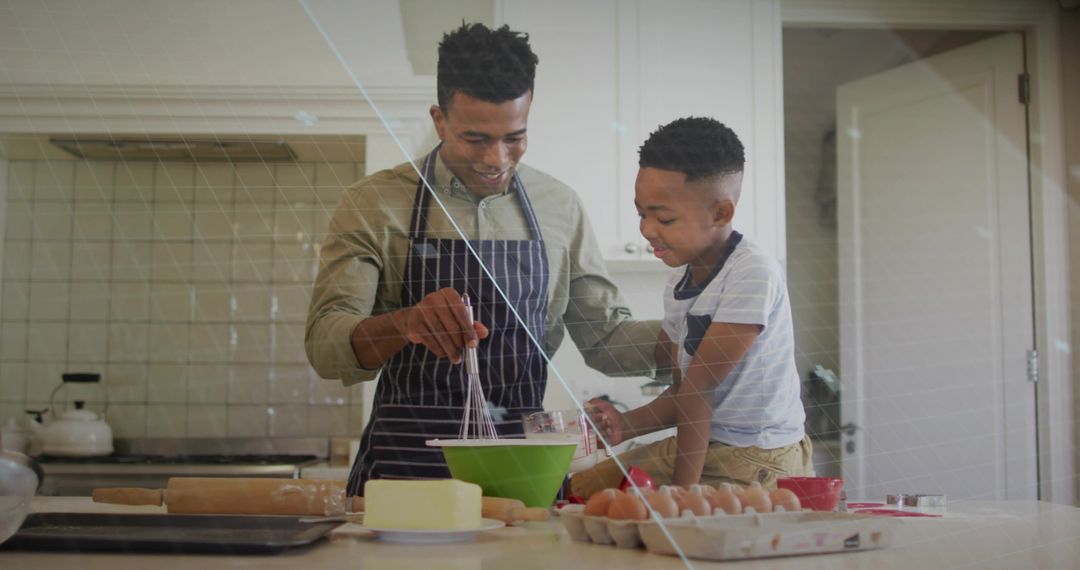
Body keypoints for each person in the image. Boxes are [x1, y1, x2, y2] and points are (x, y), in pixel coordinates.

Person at [305, 22, 662, 496]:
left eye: (514, 137)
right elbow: (325, 345)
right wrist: (406, 322)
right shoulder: (373, 203)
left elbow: (606, 338)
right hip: (406, 475)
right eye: (475, 139)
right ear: (438, 118)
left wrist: (693, 333)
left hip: (524, 473)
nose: (497, 158)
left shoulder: (560, 206)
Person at [569, 117, 813, 497]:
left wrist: (682, 499)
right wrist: (625, 427)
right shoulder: (679, 283)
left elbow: (699, 390)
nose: (647, 230)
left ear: (721, 213)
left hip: (758, 457)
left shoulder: (752, 272)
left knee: (598, 497)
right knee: (581, 489)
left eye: (664, 217)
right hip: (718, 447)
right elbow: (684, 392)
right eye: (641, 214)